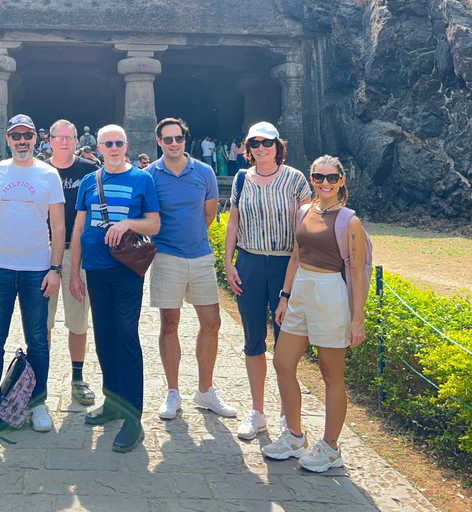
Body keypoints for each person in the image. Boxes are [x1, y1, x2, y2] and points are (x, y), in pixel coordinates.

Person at [262, 155, 366, 472]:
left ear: (341, 181)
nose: (324, 183)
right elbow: (296, 256)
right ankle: (295, 436)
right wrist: (284, 297)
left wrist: (357, 319)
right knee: (282, 362)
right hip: (301, 291)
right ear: (312, 179)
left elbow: (358, 273)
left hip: (330, 293)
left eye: (331, 178)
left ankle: (331, 447)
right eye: (318, 177)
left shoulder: (350, 221)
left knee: (331, 375)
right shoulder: (305, 210)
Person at [0, 114, 66, 433]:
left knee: (38, 340)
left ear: (35, 139)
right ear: (8, 140)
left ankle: (37, 403)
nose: (22, 141)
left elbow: (59, 225)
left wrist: (55, 269)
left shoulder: (49, 175)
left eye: (27, 135)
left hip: (36, 269)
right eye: (16, 136)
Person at [70, 124, 160, 453]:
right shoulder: (88, 181)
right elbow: (79, 225)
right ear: (98, 146)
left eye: (119, 143)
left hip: (126, 270)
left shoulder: (141, 179)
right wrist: (74, 273)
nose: (113, 148)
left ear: (126, 145)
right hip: (95, 267)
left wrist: (127, 223)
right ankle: (112, 402)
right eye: (107, 143)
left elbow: (154, 223)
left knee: (126, 335)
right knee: (104, 336)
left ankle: (133, 417)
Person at [224, 122, 311, 441]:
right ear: (248, 147)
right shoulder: (241, 178)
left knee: (285, 341)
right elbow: (233, 221)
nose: (261, 148)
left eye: (267, 143)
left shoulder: (295, 178)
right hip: (248, 260)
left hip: (285, 264)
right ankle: (258, 411)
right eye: (255, 143)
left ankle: (288, 415)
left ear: (278, 146)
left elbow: (306, 221)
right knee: (253, 339)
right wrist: (228, 262)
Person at [146, 118, 237, 421]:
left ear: (186, 140)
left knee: (212, 321)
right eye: (168, 139)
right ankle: (173, 391)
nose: (174, 144)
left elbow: (209, 214)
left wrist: (192, 237)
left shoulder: (204, 171)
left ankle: (205, 389)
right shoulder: (151, 175)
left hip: (199, 255)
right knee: (169, 324)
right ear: (158, 141)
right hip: (166, 256)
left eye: (179, 139)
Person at [45, 119, 100, 406]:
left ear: (77, 140)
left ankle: (77, 379)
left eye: (70, 137)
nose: (65, 142)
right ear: (50, 140)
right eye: (59, 137)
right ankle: (38, 380)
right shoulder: (40, 170)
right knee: (42, 321)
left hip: (76, 252)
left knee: (78, 320)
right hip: (42, 252)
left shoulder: (91, 171)